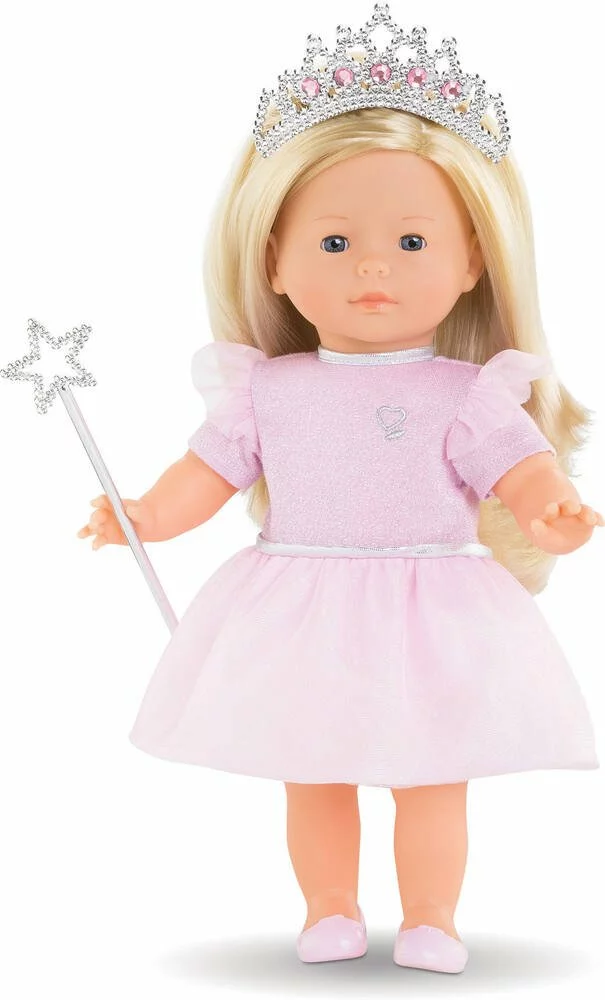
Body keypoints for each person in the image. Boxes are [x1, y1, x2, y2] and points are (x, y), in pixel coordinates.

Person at [76, 2, 602, 976]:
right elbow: (208, 470)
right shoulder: (266, 390)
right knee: (311, 770)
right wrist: (146, 515)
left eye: (411, 243)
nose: (370, 265)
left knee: (433, 773)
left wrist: (548, 509)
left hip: (431, 603)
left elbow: (517, 467)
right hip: (301, 602)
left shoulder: (465, 391)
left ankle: (432, 915)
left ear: (471, 261)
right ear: (272, 259)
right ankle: (328, 907)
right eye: (331, 244)